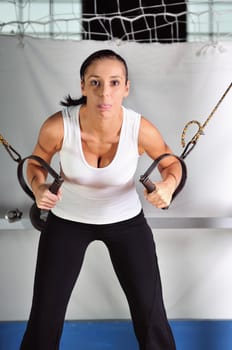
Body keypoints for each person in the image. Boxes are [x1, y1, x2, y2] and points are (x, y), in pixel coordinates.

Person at [20, 49, 182, 350]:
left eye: (114, 82)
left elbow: (172, 164)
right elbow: (35, 164)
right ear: (83, 86)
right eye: (95, 82)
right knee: (45, 314)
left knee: (151, 314)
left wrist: (168, 186)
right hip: (67, 222)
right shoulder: (58, 126)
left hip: (126, 222)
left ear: (126, 88)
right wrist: (38, 187)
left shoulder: (139, 128)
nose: (104, 92)